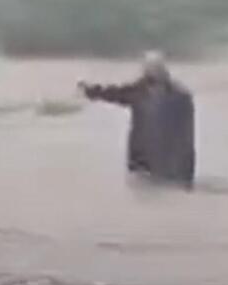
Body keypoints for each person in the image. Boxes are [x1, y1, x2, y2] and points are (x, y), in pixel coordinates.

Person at [78, 51, 195, 189]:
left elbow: (187, 134)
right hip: (144, 159)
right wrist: (93, 91)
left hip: (162, 161)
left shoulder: (179, 96)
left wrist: (186, 169)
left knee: (152, 187)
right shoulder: (142, 91)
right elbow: (116, 94)